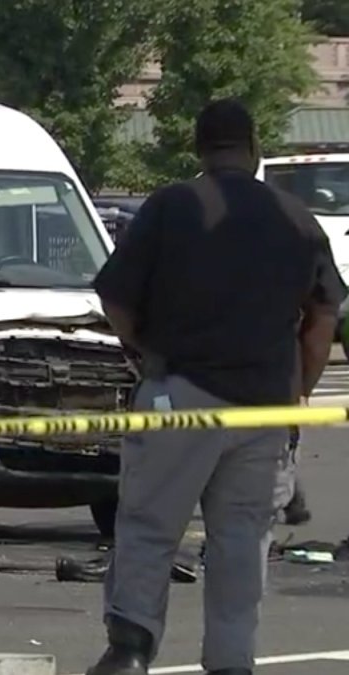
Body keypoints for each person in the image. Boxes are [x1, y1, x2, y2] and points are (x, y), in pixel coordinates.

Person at [83, 98, 346, 675]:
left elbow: (115, 297)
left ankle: (130, 650)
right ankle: (231, 662)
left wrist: (143, 348)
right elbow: (323, 318)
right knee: (240, 545)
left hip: (179, 395)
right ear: (253, 150)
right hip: (263, 412)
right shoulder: (295, 218)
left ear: (200, 149)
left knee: (150, 529)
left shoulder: (170, 207)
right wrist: (298, 390)